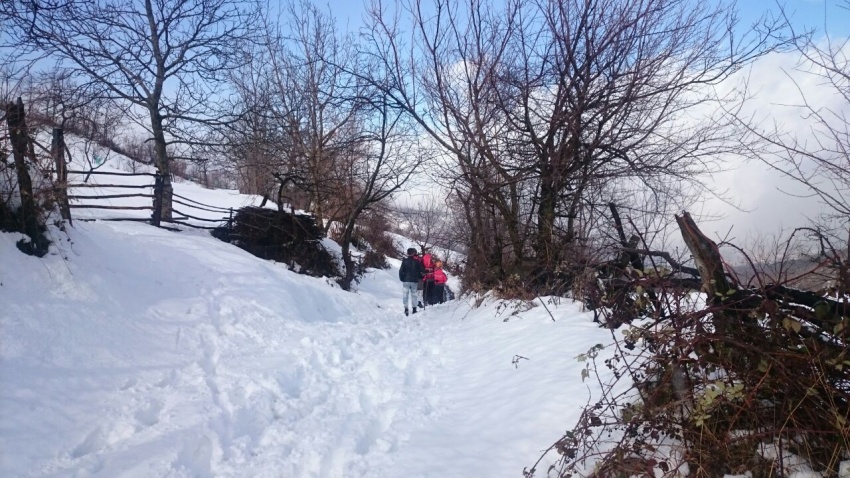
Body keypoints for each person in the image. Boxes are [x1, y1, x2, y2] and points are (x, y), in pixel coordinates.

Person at [399, 247, 425, 316]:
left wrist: (402, 278)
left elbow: (401, 271)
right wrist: (422, 276)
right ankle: (414, 309)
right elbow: (422, 271)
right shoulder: (417, 262)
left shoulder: (404, 261)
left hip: (406, 280)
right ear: (413, 253)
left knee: (405, 295)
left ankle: (406, 309)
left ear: (408, 253)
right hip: (414, 280)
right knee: (414, 295)